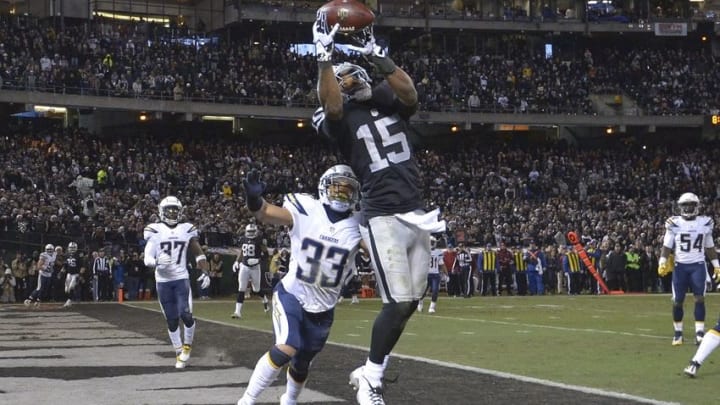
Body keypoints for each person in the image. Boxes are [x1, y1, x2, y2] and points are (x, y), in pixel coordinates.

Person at [312, 13, 445, 405]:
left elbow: (410, 94)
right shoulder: (335, 114)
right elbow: (333, 108)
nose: (350, 81)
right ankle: (370, 378)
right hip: (381, 214)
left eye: (354, 75)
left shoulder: (386, 101)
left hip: (415, 211)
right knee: (398, 300)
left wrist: (377, 56)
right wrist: (325, 58)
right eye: (343, 78)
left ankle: (372, 372)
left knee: (411, 302)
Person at [236, 165, 363, 405]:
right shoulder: (307, 209)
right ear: (325, 187)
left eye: (348, 191)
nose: (342, 195)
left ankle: (290, 400)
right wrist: (254, 198)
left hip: (324, 307)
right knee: (287, 346)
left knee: (302, 362)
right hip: (292, 293)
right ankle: (247, 400)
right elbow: (263, 213)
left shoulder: (359, 226)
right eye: (338, 189)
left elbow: (383, 252)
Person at [143, 196, 210, 369]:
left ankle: (187, 348)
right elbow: (147, 257)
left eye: (175, 210)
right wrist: (156, 262)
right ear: (161, 212)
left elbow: (199, 253)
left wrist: (205, 271)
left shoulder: (186, 229)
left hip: (181, 278)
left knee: (186, 314)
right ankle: (178, 350)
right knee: (172, 320)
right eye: (169, 210)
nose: (172, 213)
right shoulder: (155, 230)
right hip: (163, 281)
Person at [658, 192, 719, 346]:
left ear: (696, 206)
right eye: (684, 205)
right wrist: (662, 261)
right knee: (677, 301)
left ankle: (699, 332)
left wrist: (717, 266)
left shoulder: (705, 223)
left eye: (690, 204)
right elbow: (667, 245)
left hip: (698, 265)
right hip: (680, 267)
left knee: (700, 298)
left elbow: (709, 247)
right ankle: (678, 333)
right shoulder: (674, 223)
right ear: (680, 207)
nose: (687, 208)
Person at [231, 223, 269, 318]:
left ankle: (264, 299)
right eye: (249, 231)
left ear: (256, 231)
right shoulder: (243, 239)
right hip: (244, 266)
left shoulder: (259, 240)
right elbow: (241, 252)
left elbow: (266, 255)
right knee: (241, 289)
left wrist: (258, 260)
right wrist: (236, 261)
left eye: (252, 231)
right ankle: (237, 312)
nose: (251, 233)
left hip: (255, 267)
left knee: (256, 289)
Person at [417, 236, 446, 313]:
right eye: (431, 242)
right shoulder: (423, 251)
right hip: (425, 274)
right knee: (423, 291)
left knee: (435, 290)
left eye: (433, 242)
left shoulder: (438, 252)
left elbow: (441, 264)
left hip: (435, 275)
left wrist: (446, 274)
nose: (432, 244)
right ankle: (420, 302)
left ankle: (432, 307)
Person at [61, 242, 82, 307]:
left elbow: (82, 266)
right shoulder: (66, 255)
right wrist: (61, 272)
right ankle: (70, 299)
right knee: (66, 289)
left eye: (73, 248)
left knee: (71, 287)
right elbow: (65, 266)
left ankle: (69, 300)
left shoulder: (79, 256)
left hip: (75, 274)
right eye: (71, 248)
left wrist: (80, 275)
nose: (72, 249)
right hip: (69, 274)